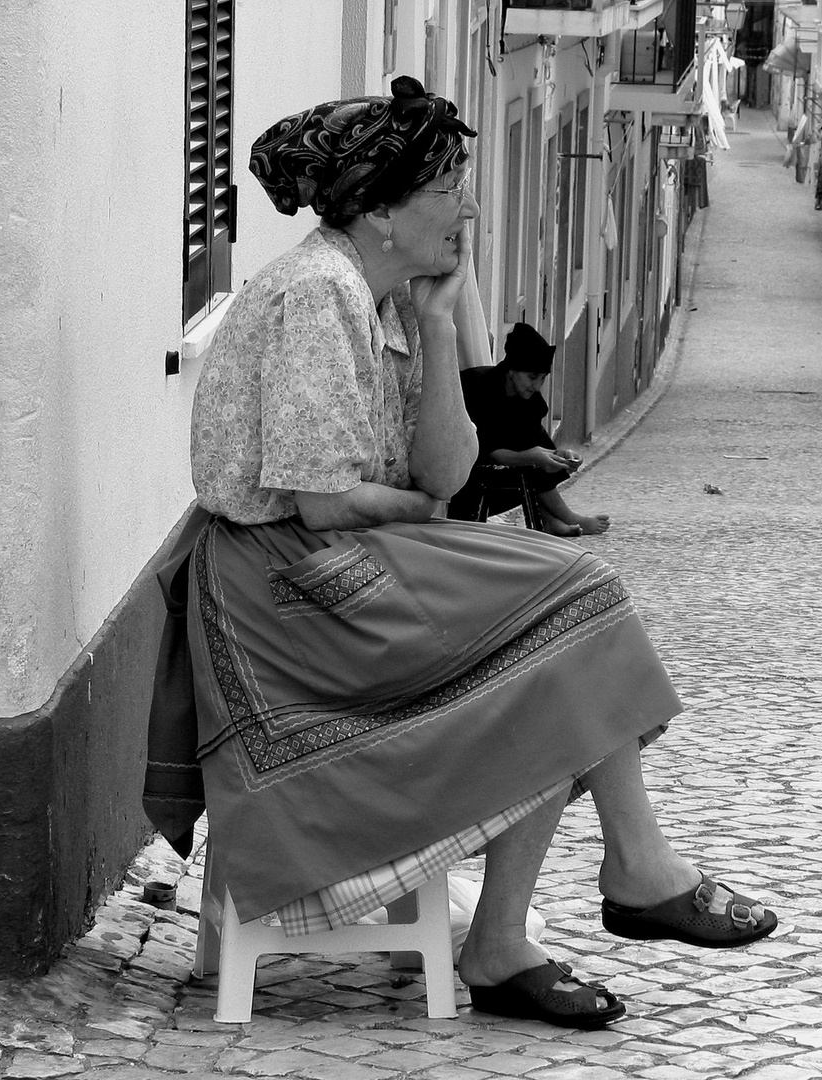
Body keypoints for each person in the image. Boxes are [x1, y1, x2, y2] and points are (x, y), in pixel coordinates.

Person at [143, 76, 777, 1031]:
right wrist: (424, 507)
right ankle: (628, 871)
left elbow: (446, 465)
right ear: (383, 209)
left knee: (557, 624)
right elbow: (326, 504)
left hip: (331, 572)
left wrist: (442, 329)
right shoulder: (319, 295)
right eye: (451, 185)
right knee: (572, 595)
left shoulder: (383, 296)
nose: (470, 204)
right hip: (286, 599)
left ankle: (521, 931)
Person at [449, 322, 611, 536]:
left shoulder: (530, 401)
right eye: (532, 377)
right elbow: (488, 453)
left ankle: (549, 519)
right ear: (511, 370)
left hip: (497, 475)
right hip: (464, 479)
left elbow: (532, 443)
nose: (537, 386)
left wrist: (559, 457)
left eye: (542, 378)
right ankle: (564, 517)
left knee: (537, 451)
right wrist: (535, 457)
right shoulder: (479, 388)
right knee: (532, 460)